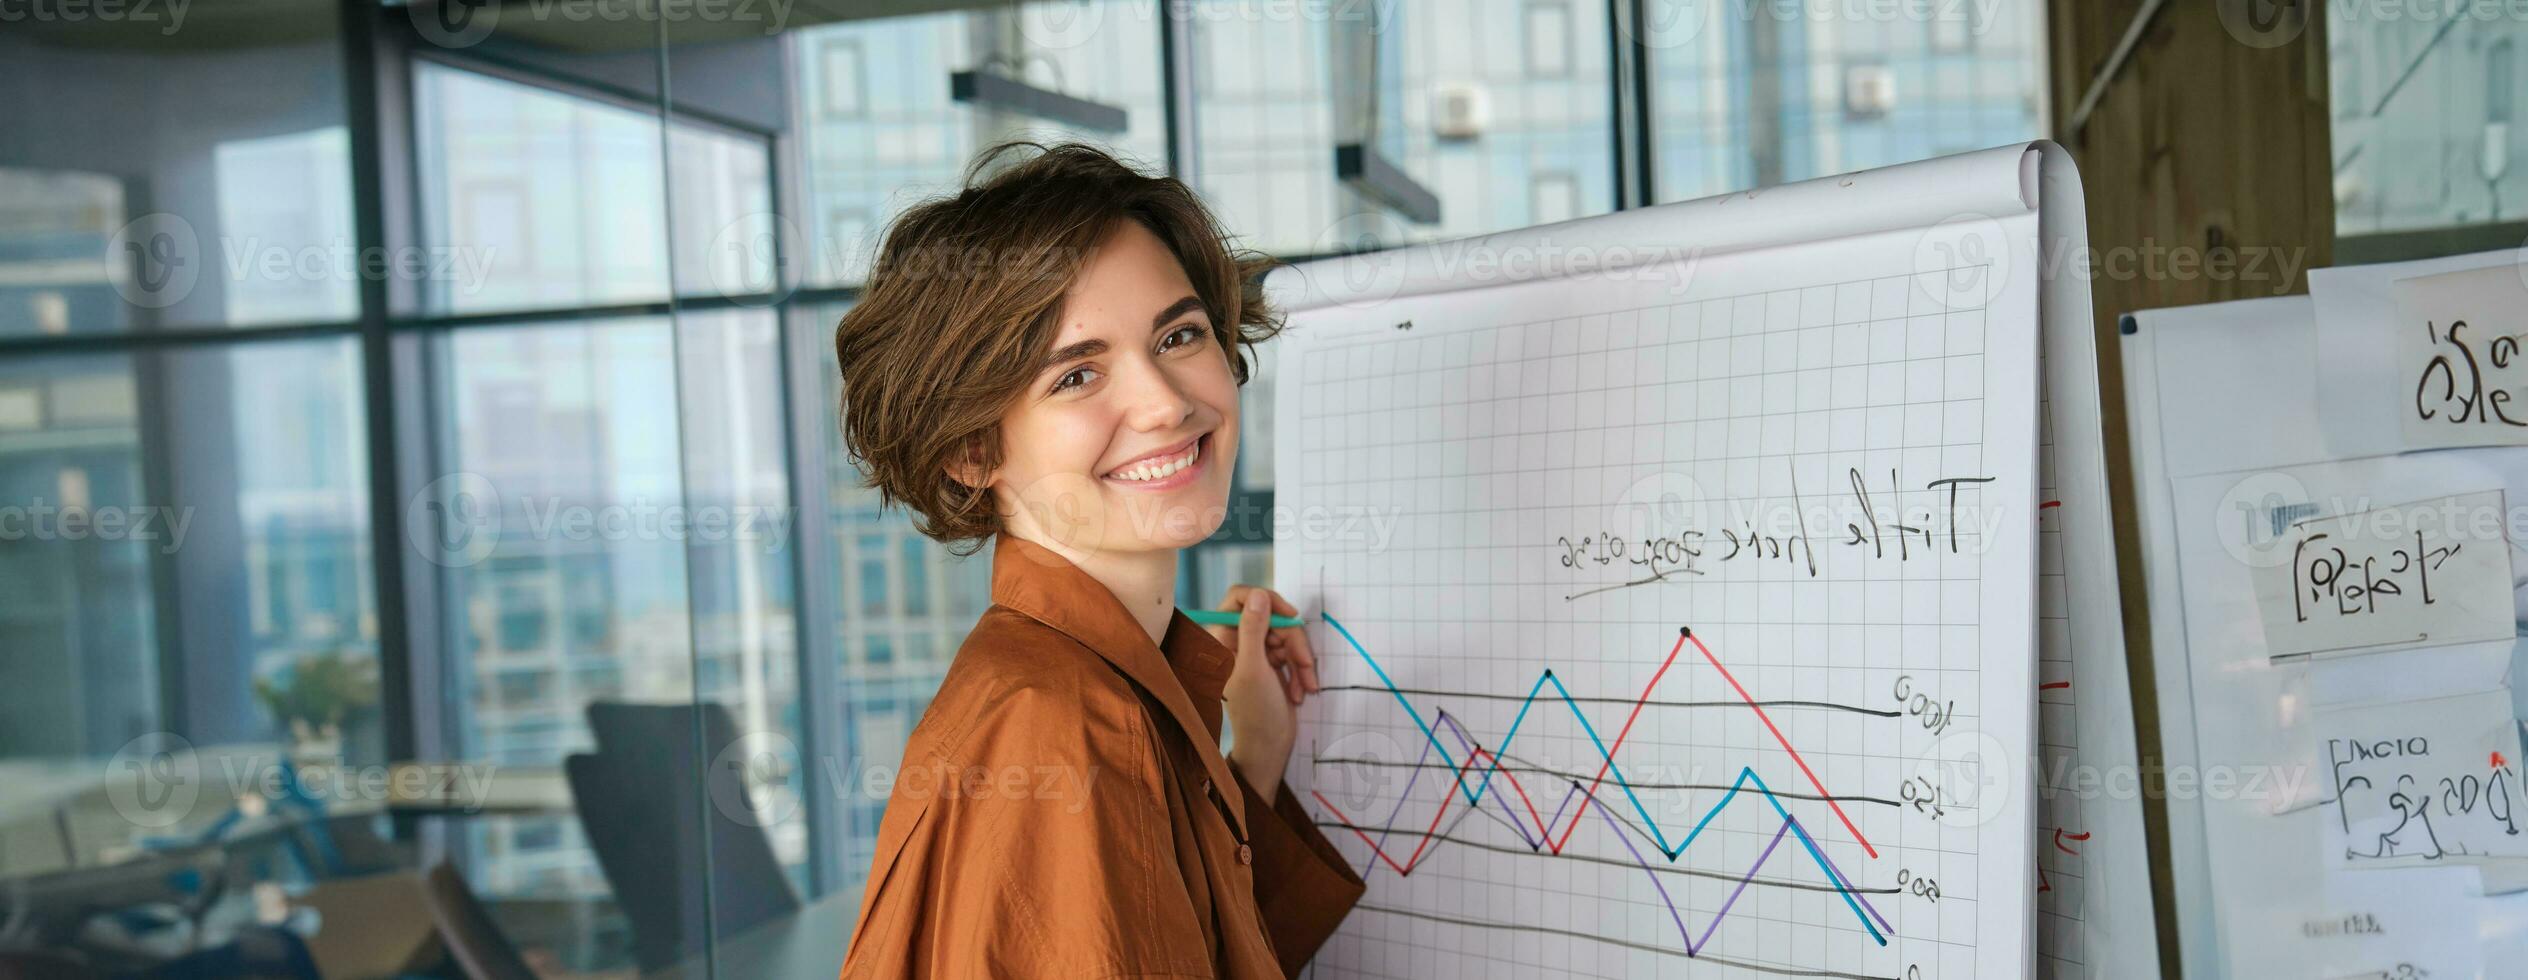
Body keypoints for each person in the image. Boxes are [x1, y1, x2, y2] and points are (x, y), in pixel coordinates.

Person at [831, 141, 1365, 979]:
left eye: (1180, 335)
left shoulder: (1109, 685)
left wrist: (1253, 752)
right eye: (1076, 376)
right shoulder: (1059, 723)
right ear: (972, 452)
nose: (1164, 401)